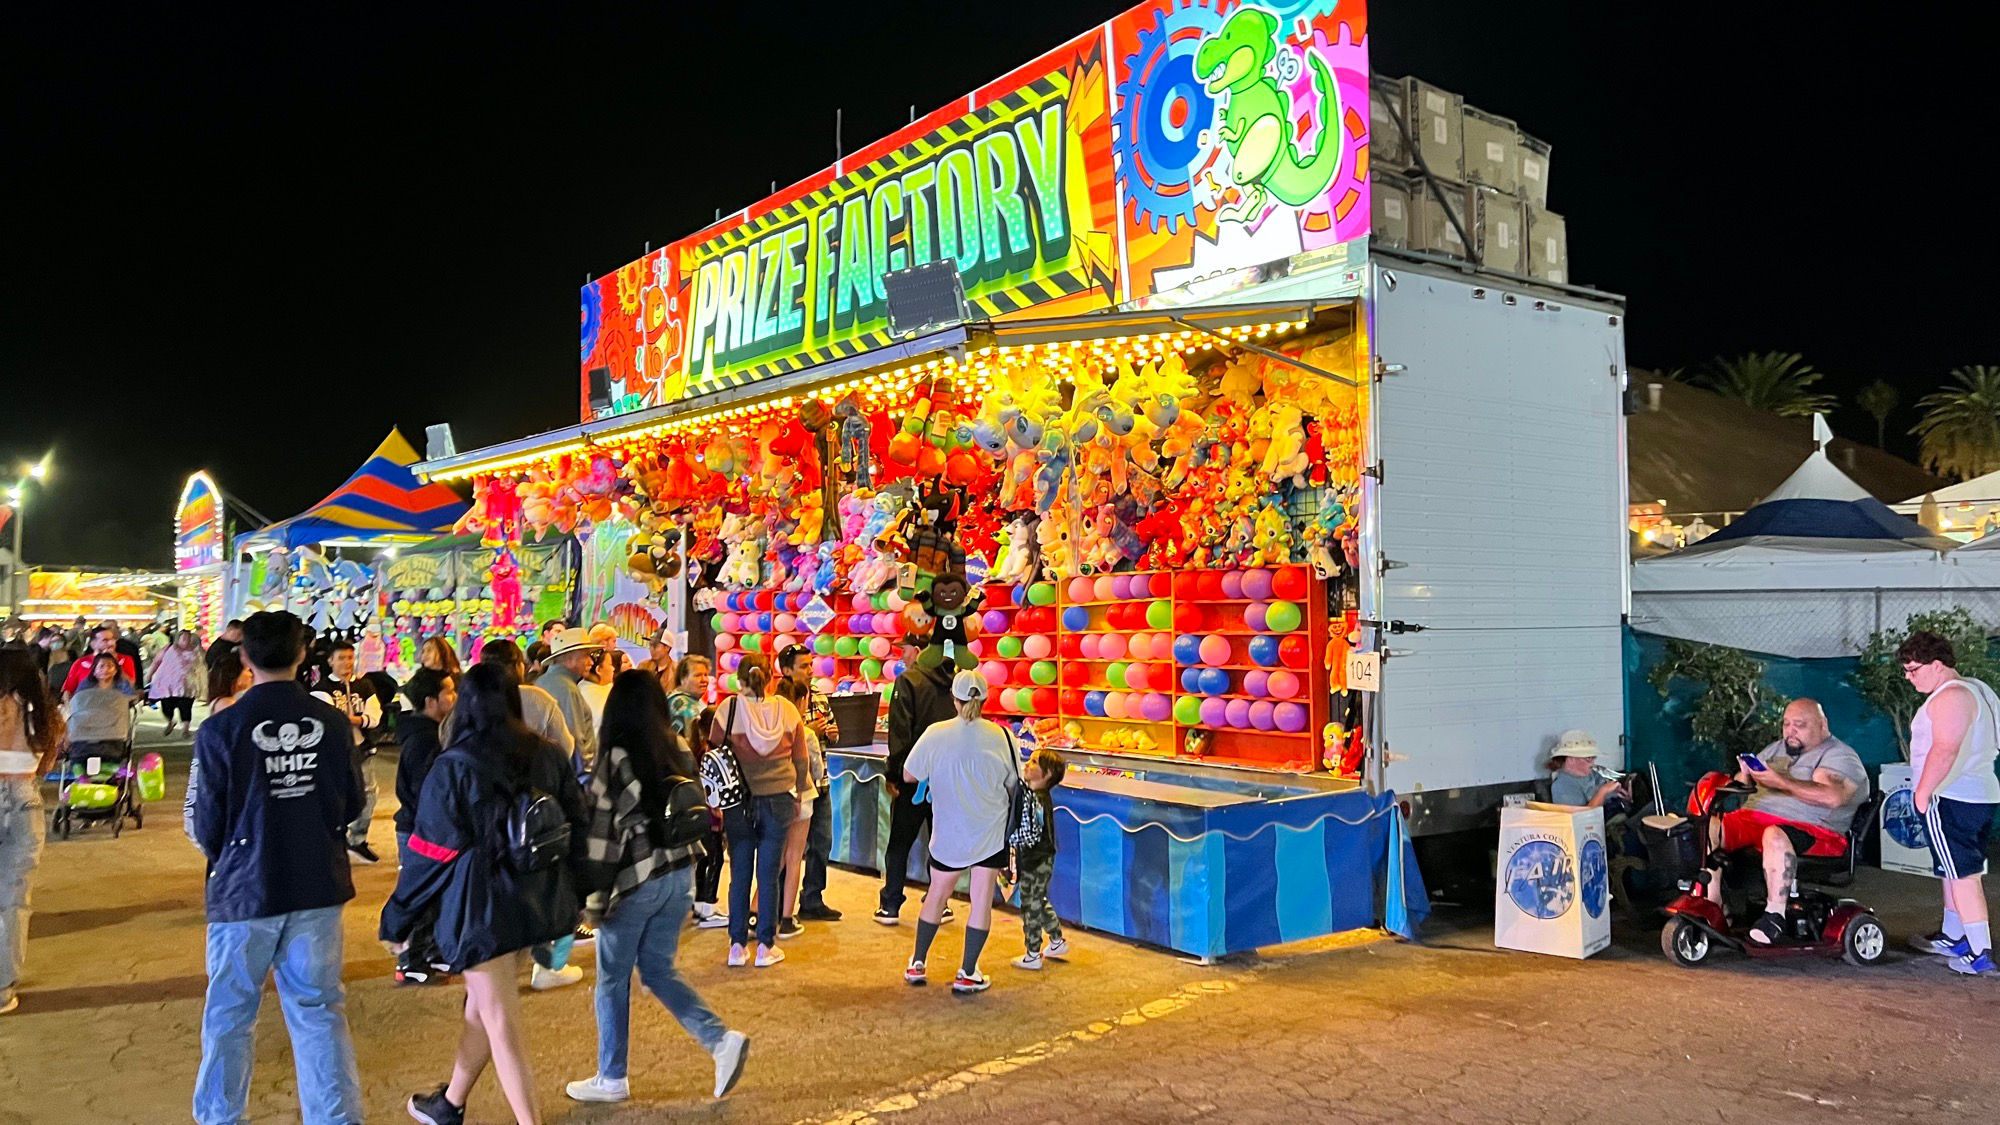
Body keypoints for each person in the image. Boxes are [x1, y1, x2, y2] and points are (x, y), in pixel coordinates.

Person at [383, 661, 587, 1125]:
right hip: (537, 898)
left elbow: (428, 852)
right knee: (483, 1005)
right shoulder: (546, 753)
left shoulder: (453, 765)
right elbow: (578, 819)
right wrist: (581, 891)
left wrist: (398, 917)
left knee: (499, 1019)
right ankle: (450, 1103)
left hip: (481, 907)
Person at [187, 611, 365, 1125]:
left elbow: (206, 820)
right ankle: (336, 1117)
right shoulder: (332, 722)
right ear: (303, 654)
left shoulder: (222, 727)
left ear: (244, 656)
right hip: (316, 883)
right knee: (318, 1011)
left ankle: (222, 1116)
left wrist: (229, 857)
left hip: (244, 888)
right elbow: (351, 802)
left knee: (229, 1014)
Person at [565, 670, 750, 1106]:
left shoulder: (614, 758)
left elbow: (601, 838)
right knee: (658, 971)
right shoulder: (677, 748)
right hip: (679, 876)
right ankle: (720, 1042)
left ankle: (612, 1077)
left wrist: (592, 903)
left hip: (635, 882)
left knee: (612, 980)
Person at [1700, 698, 1867, 945]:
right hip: (1753, 819)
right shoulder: (1776, 749)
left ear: (1823, 725)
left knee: (1774, 836)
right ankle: (1713, 905)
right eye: (1786, 724)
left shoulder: (1839, 756)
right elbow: (1744, 785)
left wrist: (1781, 782)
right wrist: (1744, 776)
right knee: (1707, 826)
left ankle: (1774, 916)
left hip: (1814, 830)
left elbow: (1833, 797)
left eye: (1799, 725)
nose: (1790, 731)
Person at [901, 670, 1017, 993]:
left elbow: (909, 774)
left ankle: (917, 962)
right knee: (981, 900)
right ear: (985, 699)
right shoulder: (1002, 737)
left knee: (937, 894)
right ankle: (967, 972)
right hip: (989, 830)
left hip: (948, 831)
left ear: (954, 699)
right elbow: (1012, 784)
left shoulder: (935, 733)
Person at [1899, 631, 2000, 976]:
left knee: (1963, 876)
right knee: (1953, 869)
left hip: (1953, 796)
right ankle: (1954, 935)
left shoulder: (1951, 697)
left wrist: (1922, 793)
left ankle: (1979, 952)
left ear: (1937, 665)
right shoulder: (1979, 690)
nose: (1909, 677)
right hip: (1978, 793)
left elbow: (1945, 749)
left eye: (1913, 670)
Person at [708, 653, 805, 967]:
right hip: (778, 797)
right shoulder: (788, 710)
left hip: (738, 801)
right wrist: (799, 792)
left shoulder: (728, 710)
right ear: (770, 678)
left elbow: (713, 753)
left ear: (740, 680)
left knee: (740, 872)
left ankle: (737, 946)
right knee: (768, 872)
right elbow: (801, 759)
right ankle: (765, 945)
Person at [2, 647, 66, 1015]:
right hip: (25, 797)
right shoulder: (47, 713)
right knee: (13, 900)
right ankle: (2, 989)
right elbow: (47, 762)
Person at [876, 658, 960, 925]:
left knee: (900, 842)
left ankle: (891, 903)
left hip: (913, 778)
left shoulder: (909, 680)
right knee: (941, 843)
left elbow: (900, 731)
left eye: (908, 650)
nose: (904, 657)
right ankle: (940, 902)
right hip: (947, 778)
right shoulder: (956, 680)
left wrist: (894, 772)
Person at [393, 671, 457, 987]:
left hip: (422, 827)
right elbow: (425, 791)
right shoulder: (425, 740)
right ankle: (411, 962)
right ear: (430, 701)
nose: (454, 697)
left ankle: (431, 954)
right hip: (420, 830)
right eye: (448, 692)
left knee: (434, 895)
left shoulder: (430, 734)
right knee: (421, 895)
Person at [779, 644, 843, 923]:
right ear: (786, 670)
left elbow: (834, 734)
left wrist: (831, 733)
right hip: (792, 786)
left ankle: (812, 898)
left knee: (822, 841)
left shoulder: (819, 696)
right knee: (787, 848)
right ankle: (779, 901)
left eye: (810, 665)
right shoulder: (777, 701)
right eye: (803, 666)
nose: (810, 671)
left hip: (822, 780)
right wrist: (808, 732)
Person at [312, 639, 384, 866]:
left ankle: (358, 838)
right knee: (334, 794)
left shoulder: (365, 686)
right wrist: (356, 720)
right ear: (330, 661)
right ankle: (333, 840)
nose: (347, 663)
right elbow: (327, 721)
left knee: (369, 794)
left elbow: (375, 716)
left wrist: (357, 720)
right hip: (333, 752)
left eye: (350, 657)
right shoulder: (321, 689)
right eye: (341, 658)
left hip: (362, 748)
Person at [443, 639, 574, 759]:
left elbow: (447, 737)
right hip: (532, 778)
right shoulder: (539, 699)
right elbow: (565, 747)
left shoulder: (471, 697)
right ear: (518, 667)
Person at [671, 655, 727, 930]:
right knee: (710, 850)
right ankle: (706, 903)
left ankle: (699, 901)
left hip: (693, 787)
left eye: (707, 674)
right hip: (695, 788)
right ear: (682, 677)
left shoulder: (693, 704)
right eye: (697, 674)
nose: (704, 679)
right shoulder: (681, 705)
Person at [1008, 747, 1071, 971]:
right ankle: (1056, 940)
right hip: (1040, 857)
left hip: (1036, 858)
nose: (1027, 764)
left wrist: (1008, 839)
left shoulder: (1035, 800)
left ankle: (1033, 952)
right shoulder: (1035, 796)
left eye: (1034, 762)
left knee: (1030, 905)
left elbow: (1030, 834)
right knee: (1039, 899)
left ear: (1046, 775)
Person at [773, 677, 825, 939]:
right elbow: (816, 770)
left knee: (774, 858)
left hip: (774, 796)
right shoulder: (806, 733)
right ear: (802, 701)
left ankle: (758, 910)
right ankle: (786, 918)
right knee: (794, 858)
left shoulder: (768, 729)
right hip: (802, 797)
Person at [535, 627, 602, 777]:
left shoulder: (542, 682)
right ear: (570, 659)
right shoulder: (567, 689)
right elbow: (575, 742)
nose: (591, 662)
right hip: (570, 776)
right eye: (586, 656)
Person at [64, 653, 135, 759]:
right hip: (88, 723)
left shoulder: (122, 684)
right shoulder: (86, 684)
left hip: (113, 724)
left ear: (116, 670)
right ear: (94, 671)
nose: (106, 669)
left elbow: (131, 697)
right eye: (101, 666)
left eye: (110, 666)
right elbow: (79, 700)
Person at [1546, 730, 1631, 812]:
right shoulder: (1563, 785)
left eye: (1593, 758)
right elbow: (1581, 818)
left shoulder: (1593, 774)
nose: (1592, 762)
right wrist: (1603, 791)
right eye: (1588, 758)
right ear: (1571, 759)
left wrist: (1623, 795)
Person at [149, 629, 205, 738]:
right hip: (168, 685)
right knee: (166, 706)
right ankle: (170, 721)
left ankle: (185, 729)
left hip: (187, 685)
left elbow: (201, 667)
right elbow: (156, 662)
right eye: (184, 638)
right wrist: (150, 675)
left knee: (186, 707)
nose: (186, 641)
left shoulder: (196, 651)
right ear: (178, 639)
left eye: (189, 638)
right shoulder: (169, 648)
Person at [60, 625, 136, 698]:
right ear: (93, 644)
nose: (111, 643)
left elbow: (131, 684)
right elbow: (68, 690)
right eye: (105, 640)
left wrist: (115, 662)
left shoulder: (125, 659)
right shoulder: (80, 662)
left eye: (112, 639)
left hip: (116, 706)